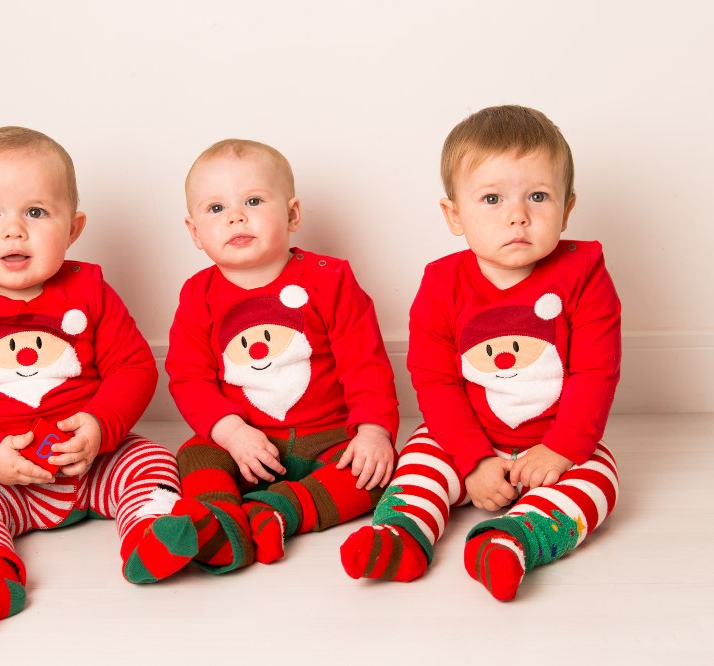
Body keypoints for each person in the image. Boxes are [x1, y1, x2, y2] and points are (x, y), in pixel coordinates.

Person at [0, 126, 195, 637]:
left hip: (92, 462)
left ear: (73, 227)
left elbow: (134, 367)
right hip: (0, 475)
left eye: (35, 212)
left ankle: (151, 533)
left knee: (150, 458)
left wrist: (102, 427)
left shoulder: (90, 288)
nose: (13, 231)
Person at [339, 105, 621, 601]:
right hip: (465, 435)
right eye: (492, 198)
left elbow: (595, 372)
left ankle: (514, 541)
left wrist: (561, 449)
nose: (518, 215)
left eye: (538, 196)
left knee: (600, 480)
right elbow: (435, 381)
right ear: (454, 215)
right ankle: (402, 534)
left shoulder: (585, 273)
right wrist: (471, 461)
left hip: (556, 442)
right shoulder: (442, 284)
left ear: (567, 208)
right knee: (420, 461)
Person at [164, 139, 400, 574]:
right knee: (194, 457)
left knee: (373, 476)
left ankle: (279, 510)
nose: (236, 215)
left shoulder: (331, 280)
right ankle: (218, 521)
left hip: (328, 434)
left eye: (253, 200)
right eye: (215, 208)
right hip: (246, 440)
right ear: (195, 232)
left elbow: (364, 363)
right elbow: (188, 377)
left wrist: (373, 431)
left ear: (292, 214)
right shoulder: (200, 295)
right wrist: (231, 433)